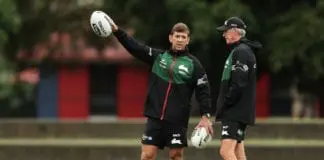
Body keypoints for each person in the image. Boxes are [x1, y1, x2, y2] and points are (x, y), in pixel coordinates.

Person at [106, 17, 213, 160]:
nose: (180, 40)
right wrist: (117, 31)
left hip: (177, 120)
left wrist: (206, 116)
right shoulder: (159, 57)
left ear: (188, 40)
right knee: (147, 155)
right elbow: (135, 47)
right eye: (177, 36)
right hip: (155, 117)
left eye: (183, 37)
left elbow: (204, 90)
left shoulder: (194, 65)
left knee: (176, 155)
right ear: (171, 38)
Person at [215, 17, 262, 160]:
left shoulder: (241, 52)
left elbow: (238, 84)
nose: (224, 35)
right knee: (239, 153)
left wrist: (225, 104)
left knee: (226, 151)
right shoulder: (243, 50)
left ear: (235, 32)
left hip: (235, 111)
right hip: (239, 111)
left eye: (226, 31)